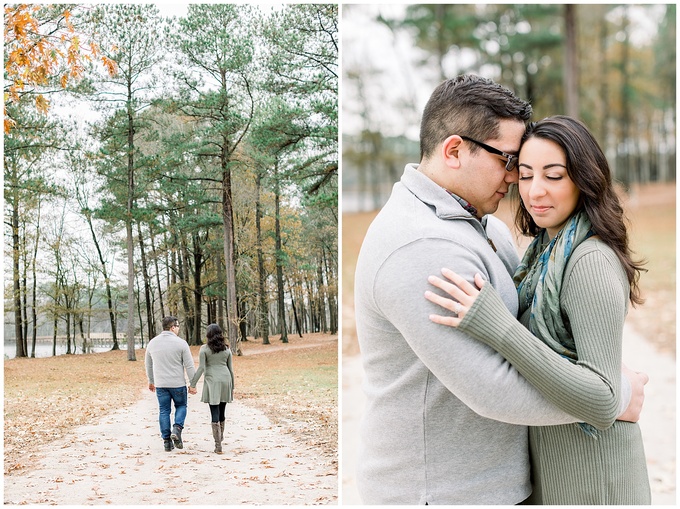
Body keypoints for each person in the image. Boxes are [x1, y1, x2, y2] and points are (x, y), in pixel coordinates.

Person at [353, 74, 646, 504]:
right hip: (444, 492)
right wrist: (616, 394)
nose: (515, 179)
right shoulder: (420, 246)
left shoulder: (485, 226)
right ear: (454, 150)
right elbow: (495, 387)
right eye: (509, 161)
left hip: (491, 485)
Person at [425, 115, 651, 504]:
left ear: (584, 178)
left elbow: (600, 399)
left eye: (554, 175)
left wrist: (497, 326)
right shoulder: (542, 255)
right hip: (556, 474)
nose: (535, 192)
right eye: (526, 175)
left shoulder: (588, 259)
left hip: (597, 480)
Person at [145, 316, 197, 452]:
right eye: (178, 326)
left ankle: (167, 442)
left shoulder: (152, 343)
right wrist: (193, 384)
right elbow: (189, 365)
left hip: (161, 384)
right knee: (181, 406)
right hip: (177, 384)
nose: (179, 329)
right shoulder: (181, 343)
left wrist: (151, 381)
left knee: (164, 410)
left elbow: (148, 365)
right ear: (172, 327)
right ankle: (177, 428)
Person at [189, 323, 234, 454]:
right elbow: (231, 369)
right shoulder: (227, 349)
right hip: (226, 380)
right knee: (222, 412)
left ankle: (218, 444)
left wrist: (193, 384)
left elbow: (202, 367)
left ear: (208, 334)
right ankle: (220, 437)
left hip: (212, 381)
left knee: (214, 412)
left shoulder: (204, 349)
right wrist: (232, 386)